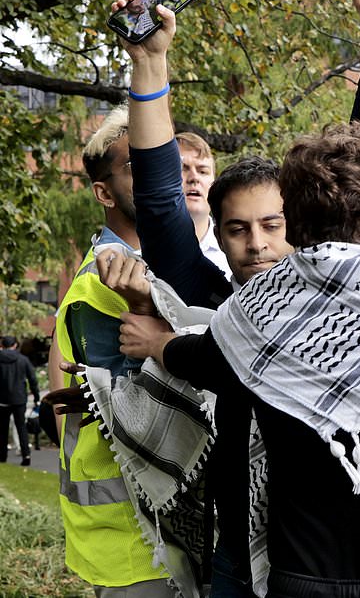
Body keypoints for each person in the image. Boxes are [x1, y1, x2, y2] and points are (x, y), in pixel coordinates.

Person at [104, 0, 360, 597]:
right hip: (240, 558)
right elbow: (159, 199)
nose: (256, 243)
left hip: (344, 558)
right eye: (237, 228)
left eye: (274, 225)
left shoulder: (340, 298)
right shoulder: (205, 295)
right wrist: (150, 60)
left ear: (305, 226)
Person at [118, 116, 360, 598]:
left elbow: (197, 356)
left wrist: (154, 343)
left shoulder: (249, 316)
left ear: (296, 224)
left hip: (300, 581)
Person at [54, 103, 173, 597]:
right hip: (133, 536)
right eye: (134, 167)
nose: (155, 177)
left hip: (150, 526)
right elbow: (134, 411)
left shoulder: (149, 264)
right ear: (103, 192)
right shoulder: (106, 280)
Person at [175, 131, 231, 279]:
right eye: (182, 168)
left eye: (203, 171)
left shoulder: (233, 249)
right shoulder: (140, 248)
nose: (194, 178)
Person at [0, 335, 37, 466]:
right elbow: (32, 379)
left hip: (2, 399)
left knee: (3, 429)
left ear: (2, 345)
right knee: (21, 427)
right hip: (19, 398)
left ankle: (2, 456)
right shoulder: (23, 360)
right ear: (15, 345)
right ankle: (26, 454)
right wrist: (36, 397)